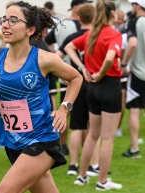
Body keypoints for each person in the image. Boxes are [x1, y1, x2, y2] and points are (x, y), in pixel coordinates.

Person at [0, 1, 82, 193]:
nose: (5, 25)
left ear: (30, 29)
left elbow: (76, 78)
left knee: (4, 190)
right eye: (4, 19)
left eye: (13, 20)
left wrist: (64, 109)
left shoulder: (45, 59)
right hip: (13, 140)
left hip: (41, 138)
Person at [65, 0, 123, 190]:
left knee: (92, 136)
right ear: (112, 14)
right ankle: (102, 181)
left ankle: (82, 176)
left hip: (93, 89)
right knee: (106, 138)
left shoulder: (91, 34)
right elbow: (109, 58)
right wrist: (101, 72)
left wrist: (82, 68)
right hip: (108, 86)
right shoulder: (113, 35)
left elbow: (69, 48)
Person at [56, 3, 99, 176]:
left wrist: (65, 76)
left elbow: (58, 57)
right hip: (96, 84)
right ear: (95, 18)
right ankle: (93, 165)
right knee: (93, 128)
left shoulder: (73, 37)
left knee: (77, 126)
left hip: (77, 85)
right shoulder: (97, 36)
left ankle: (73, 165)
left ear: (79, 18)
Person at [45, 0, 92, 156]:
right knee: (84, 121)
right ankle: (87, 156)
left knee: (65, 113)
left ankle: (63, 146)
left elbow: (53, 49)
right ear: (77, 8)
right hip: (84, 80)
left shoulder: (62, 26)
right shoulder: (87, 32)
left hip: (67, 78)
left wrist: (57, 70)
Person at [121, 0, 145, 158]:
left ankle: (134, 148)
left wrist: (124, 64)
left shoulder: (134, 22)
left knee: (135, 110)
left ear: (137, 6)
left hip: (138, 72)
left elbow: (132, 44)